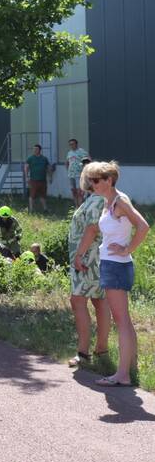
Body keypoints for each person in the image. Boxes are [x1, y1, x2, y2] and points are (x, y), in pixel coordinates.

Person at [86, 161, 150, 387]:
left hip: (116, 265)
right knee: (125, 321)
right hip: (114, 264)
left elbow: (143, 226)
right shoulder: (110, 201)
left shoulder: (119, 201)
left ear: (108, 180)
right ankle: (128, 369)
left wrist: (126, 249)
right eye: (90, 180)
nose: (90, 184)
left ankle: (122, 375)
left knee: (121, 321)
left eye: (94, 180)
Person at [67, 163, 111, 368]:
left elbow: (93, 229)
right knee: (99, 301)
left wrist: (79, 254)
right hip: (97, 258)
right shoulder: (102, 200)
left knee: (77, 301)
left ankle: (83, 352)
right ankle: (102, 349)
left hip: (88, 260)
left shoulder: (95, 201)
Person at [24, 144, 53, 213]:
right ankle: (31, 210)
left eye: (36, 149)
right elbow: (26, 168)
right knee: (32, 195)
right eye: (34, 149)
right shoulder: (30, 158)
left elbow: (48, 168)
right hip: (33, 180)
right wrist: (26, 177)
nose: (35, 150)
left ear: (40, 150)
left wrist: (50, 177)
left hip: (43, 180)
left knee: (43, 195)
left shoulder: (44, 158)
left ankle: (45, 209)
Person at [65, 139, 90, 207]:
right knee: (74, 191)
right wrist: (68, 170)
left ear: (76, 144)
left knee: (80, 192)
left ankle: (80, 206)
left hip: (79, 175)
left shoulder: (81, 151)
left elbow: (88, 160)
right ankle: (76, 206)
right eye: (70, 144)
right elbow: (67, 162)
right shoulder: (69, 153)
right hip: (71, 175)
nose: (71, 145)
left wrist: (85, 170)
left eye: (73, 144)